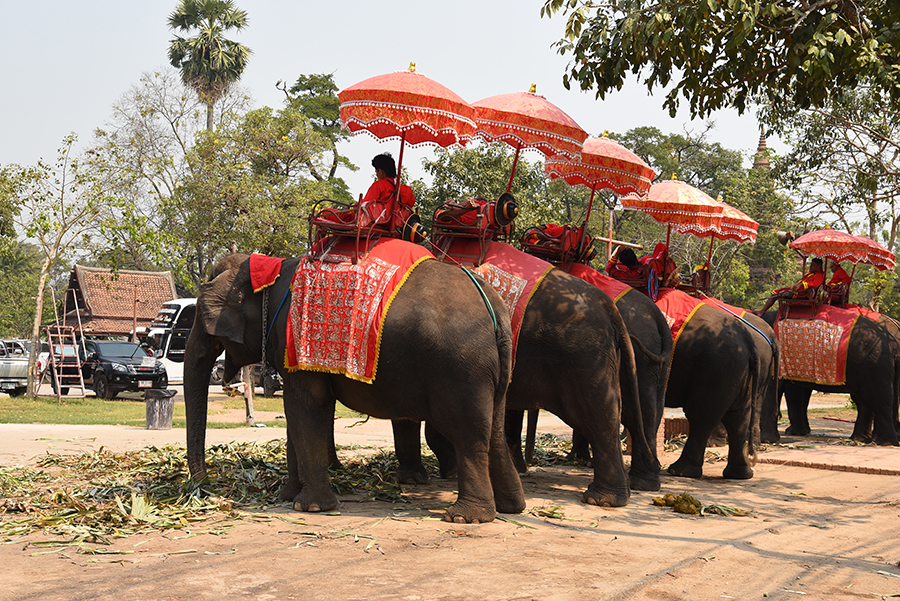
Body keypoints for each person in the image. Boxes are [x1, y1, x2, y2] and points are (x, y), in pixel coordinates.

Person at [753, 257, 825, 316]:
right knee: (775, 293)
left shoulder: (819, 275)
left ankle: (761, 312)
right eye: (811, 264)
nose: (811, 266)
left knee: (776, 294)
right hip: (799, 291)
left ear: (819, 267)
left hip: (802, 294)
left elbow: (815, 284)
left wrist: (801, 284)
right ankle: (763, 310)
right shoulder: (812, 274)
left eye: (813, 265)